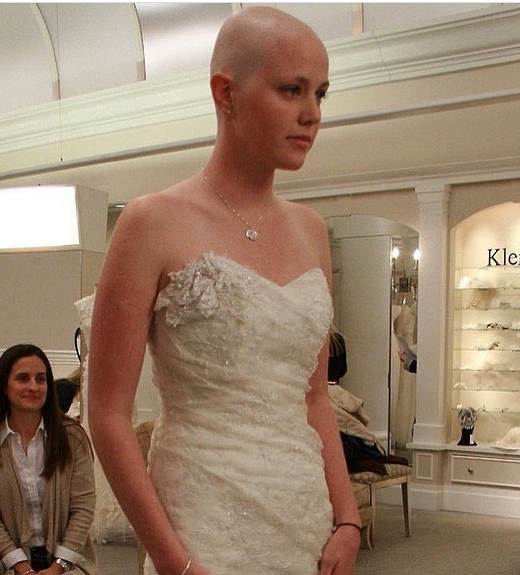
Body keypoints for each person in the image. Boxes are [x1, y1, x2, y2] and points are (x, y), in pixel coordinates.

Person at [88, 6, 361, 575]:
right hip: (202, 529)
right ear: (225, 93)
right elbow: (108, 415)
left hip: (304, 520)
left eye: (320, 94)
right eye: (291, 89)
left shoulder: (311, 230)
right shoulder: (151, 222)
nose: (312, 114)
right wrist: (175, 563)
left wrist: (347, 519)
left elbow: (314, 397)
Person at [0, 344, 97, 575]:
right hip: (6, 564)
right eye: (23, 378)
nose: (33, 387)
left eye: (41, 379)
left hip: (68, 564)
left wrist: (58, 567)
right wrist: (22, 568)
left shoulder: (72, 438)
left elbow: (83, 507)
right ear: (4, 386)